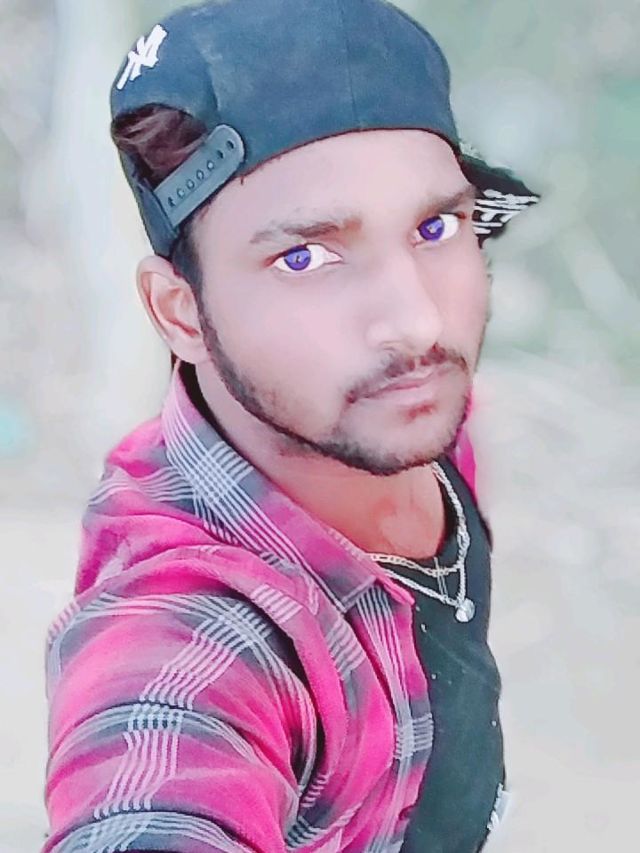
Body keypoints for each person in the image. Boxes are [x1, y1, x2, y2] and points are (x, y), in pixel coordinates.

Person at [42, 1, 540, 850]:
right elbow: (154, 769)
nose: (417, 324)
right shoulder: (188, 631)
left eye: (435, 227)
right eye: (304, 257)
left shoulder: (410, 412)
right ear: (181, 311)